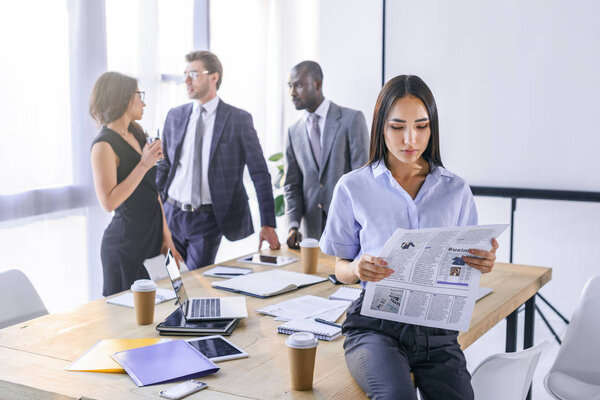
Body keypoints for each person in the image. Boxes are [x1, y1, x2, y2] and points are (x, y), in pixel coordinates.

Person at [319, 75, 499, 400]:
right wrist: (358, 268)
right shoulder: (352, 187)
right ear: (381, 128)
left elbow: (467, 259)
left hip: (436, 328)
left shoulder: (454, 189)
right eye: (398, 127)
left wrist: (482, 262)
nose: (410, 139)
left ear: (433, 128)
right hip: (375, 324)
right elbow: (340, 267)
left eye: (421, 125)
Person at [157, 51, 280, 270]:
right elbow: (164, 167)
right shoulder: (174, 116)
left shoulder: (238, 120)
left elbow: (259, 173)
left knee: (195, 284)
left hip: (208, 220)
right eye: (185, 74)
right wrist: (155, 212)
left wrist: (268, 223)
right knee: (168, 283)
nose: (186, 80)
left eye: (193, 74)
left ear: (214, 77)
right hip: (171, 214)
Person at [89, 72, 183, 297]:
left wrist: (167, 238)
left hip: (152, 239)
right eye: (139, 95)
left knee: (168, 305)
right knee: (127, 321)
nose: (144, 102)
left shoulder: (137, 133)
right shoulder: (103, 145)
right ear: (122, 98)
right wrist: (143, 165)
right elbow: (108, 202)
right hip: (125, 245)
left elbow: (153, 193)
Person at [284, 61, 369, 248]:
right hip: (311, 236)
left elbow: (363, 178)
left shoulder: (351, 120)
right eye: (290, 86)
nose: (292, 92)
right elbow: (292, 185)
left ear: (317, 84)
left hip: (349, 229)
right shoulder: (293, 132)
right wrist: (293, 225)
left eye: (298, 85)